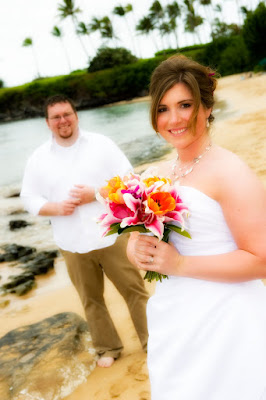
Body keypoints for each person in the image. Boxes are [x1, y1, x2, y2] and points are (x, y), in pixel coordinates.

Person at [127, 55, 266, 399]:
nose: (173, 119)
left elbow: (261, 259)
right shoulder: (157, 175)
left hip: (227, 321)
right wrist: (137, 250)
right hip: (174, 318)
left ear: (206, 107)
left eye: (184, 105)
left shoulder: (230, 172)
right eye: (162, 108)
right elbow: (144, 244)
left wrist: (180, 264)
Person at [21, 94, 149, 368]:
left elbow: (130, 179)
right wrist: (54, 208)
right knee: (91, 300)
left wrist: (97, 194)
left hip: (111, 234)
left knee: (134, 291)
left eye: (67, 114)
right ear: (47, 123)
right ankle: (108, 348)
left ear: (76, 115)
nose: (62, 121)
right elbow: (28, 198)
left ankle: (152, 341)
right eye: (56, 117)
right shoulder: (38, 158)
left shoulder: (101, 144)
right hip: (72, 242)